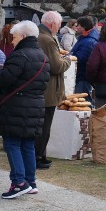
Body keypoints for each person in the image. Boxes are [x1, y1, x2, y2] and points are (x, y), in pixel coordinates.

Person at [0, 21, 49, 199]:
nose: (12, 41)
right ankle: (30, 182)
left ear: (23, 36)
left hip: (16, 106)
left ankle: (18, 182)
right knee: (27, 144)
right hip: (36, 105)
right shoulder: (42, 56)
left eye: (14, 37)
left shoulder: (19, 55)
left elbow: (6, 79)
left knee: (12, 143)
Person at [36, 11, 71, 169]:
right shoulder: (47, 39)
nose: (60, 27)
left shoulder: (39, 35)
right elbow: (57, 66)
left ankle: (40, 155)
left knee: (41, 125)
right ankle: (39, 156)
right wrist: (68, 60)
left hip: (41, 88)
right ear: (52, 24)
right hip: (48, 90)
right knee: (44, 126)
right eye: (59, 24)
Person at [70, 16, 98, 96]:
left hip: (83, 76)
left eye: (78, 25)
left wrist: (69, 57)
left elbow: (81, 58)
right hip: (82, 75)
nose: (76, 27)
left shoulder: (89, 41)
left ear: (84, 27)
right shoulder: (85, 38)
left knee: (83, 100)